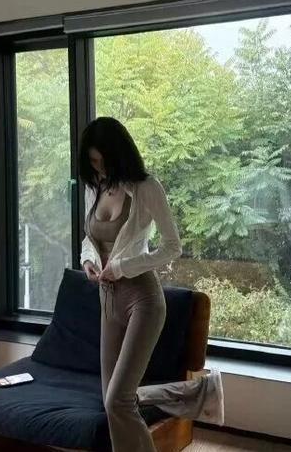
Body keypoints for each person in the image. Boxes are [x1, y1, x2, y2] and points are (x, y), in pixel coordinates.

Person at [79, 116, 224, 452]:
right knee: (113, 400)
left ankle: (200, 393)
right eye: (92, 162)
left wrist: (122, 266)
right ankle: (201, 392)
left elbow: (173, 247)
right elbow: (89, 238)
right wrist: (88, 261)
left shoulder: (146, 188)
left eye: (102, 161)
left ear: (118, 153)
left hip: (141, 298)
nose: (98, 169)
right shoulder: (95, 187)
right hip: (107, 298)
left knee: (117, 400)